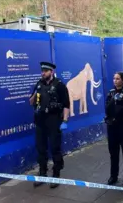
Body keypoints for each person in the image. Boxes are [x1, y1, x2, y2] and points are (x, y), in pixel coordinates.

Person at [29, 61, 70, 189]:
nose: (43, 73)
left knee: (54, 148)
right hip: (40, 121)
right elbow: (31, 102)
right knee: (41, 148)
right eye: (42, 71)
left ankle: (56, 175)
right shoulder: (39, 84)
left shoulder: (59, 85)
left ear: (51, 72)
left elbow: (66, 105)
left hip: (54, 120)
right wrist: (36, 93)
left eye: (45, 71)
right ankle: (42, 174)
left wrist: (64, 121)